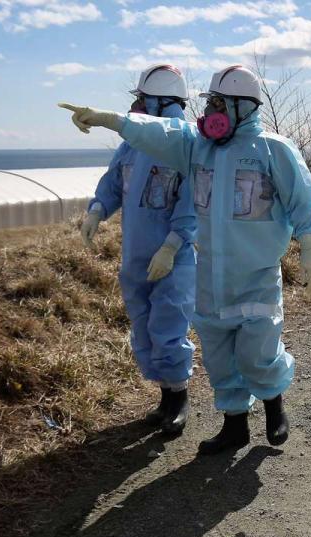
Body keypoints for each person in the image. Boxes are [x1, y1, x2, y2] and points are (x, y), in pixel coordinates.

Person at [60, 64, 311, 455]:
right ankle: (234, 427)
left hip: (256, 273)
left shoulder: (273, 149)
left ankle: (274, 405)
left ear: (244, 108)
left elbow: (302, 200)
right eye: (211, 102)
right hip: (210, 274)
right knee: (218, 354)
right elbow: (161, 133)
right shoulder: (197, 148)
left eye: (220, 102)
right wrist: (112, 121)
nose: (212, 110)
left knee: (257, 351)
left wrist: (309, 250)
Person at [81, 64, 196, 434]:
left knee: (169, 324)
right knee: (145, 325)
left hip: (173, 256)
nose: (138, 105)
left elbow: (193, 201)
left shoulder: (186, 143)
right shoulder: (133, 143)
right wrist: (98, 209)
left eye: (144, 99)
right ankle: (165, 397)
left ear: (164, 102)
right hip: (135, 253)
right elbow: (115, 181)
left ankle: (178, 399)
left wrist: (173, 244)